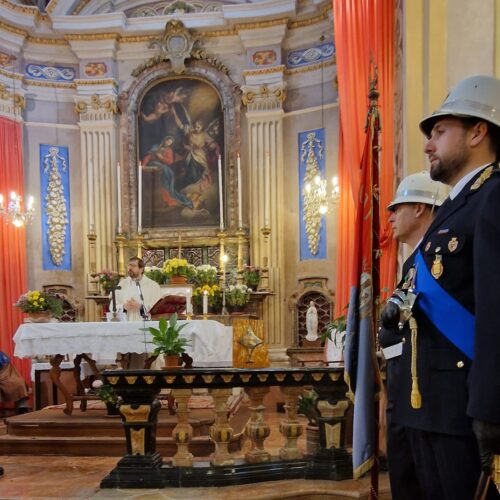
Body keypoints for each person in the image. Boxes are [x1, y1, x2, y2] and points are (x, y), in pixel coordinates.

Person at [381, 75, 500, 499]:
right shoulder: (456, 207)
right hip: (429, 407)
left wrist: (490, 408)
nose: (429, 144)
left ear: (478, 132)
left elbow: (495, 313)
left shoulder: (493, 198)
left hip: (463, 411)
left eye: (440, 131)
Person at [379, 171, 446, 500]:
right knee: (405, 476)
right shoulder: (413, 261)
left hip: (423, 389)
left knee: (420, 481)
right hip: (404, 385)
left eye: (397, 208)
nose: (390, 216)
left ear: (420, 208)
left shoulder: (435, 259)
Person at [114, 256, 162, 322]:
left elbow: (158, 309)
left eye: (133, 266)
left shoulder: (153, 286)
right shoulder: (122, 284)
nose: (130, 268)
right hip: (125, 325)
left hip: (145, 325)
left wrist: (141, 307)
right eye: (129, 265)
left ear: (141, 269)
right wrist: (123, 307)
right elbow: (113, 306)